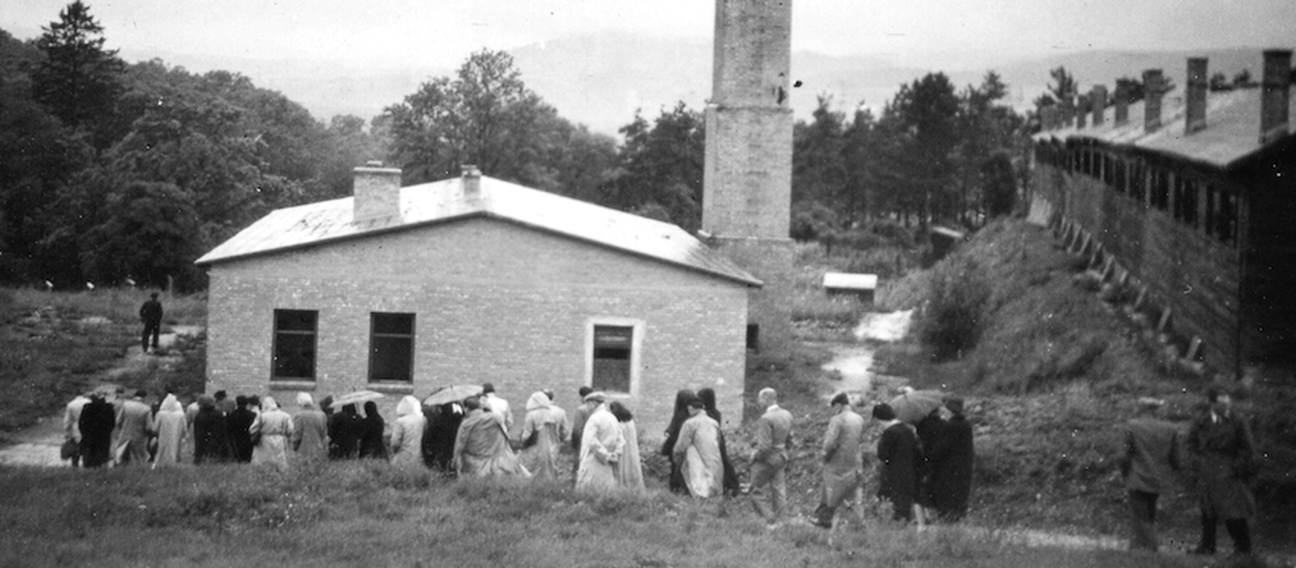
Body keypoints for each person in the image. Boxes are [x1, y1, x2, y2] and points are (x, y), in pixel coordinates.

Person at [1187, 387, 1256, 556]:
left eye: (1228, 402)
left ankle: (1243, 548)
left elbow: (1247, 449)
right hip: (1207, 470)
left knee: (1234, 511)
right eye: (1221, 403)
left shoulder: (1237, 421)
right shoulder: (1201, 421)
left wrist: (1235, 468)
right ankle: (1207, 546)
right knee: (1207, 510)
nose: (1226, 406)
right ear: (1211, 403)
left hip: (1228, 471)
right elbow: (1190, 444)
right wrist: (1197, 463)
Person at [1116, 397, 1182, 551]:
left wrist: (1125, 473)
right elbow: (1176, 460)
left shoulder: (1132, 426)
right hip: (1158, 478)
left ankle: (1148, 548)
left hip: (1137, 476)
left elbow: (1123, 456)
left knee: (1140, 515)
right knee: (1149, 513)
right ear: (1156, 411)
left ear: (1142, 409)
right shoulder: (1170, 428)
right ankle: (1141, 547)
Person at [815, 393, 865, 531]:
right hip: (854, 461)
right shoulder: (859, 419)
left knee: (830, 491)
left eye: (833, 407)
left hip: (837, 462)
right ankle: (857, 522)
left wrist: (824, 456)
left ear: (838, 405)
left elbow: (830, 443)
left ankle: (825, 519)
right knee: (854, 493)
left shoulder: (837, 419)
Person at [875, 403, 925, 526]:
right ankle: (904, 523)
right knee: (904, 501)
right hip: (909, 469)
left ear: (880, 418)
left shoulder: (889, 432)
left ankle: (896, 524)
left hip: (893, 471)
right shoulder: (908, 429)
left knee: (893, 500)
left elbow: (882, 454)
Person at [453, 397, 529, 478]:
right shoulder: (494, 418)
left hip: (474, 464)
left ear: (467, 408)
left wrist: (455, 462)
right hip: (496, 462)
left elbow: (459, 445)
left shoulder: (466, 423)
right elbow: (505, 436)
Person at [749, 388, 793, 526]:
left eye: (760, 398)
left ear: (766, 399)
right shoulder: (787, 414)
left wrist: (755, 457)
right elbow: (790, 439)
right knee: (779, 489)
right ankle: (783, 520)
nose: (758, 401)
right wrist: (786, 452)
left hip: (768, 459)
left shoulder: (766, 418)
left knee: (754, 490)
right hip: (782, 456)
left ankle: (769, 518)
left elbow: (764, 447)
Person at [929, 397, 975, 522]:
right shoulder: (966, 424)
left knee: (947, 502)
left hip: (949, 470)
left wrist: (930, 457)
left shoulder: (950, 426)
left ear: (949, 410)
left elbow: (941, 449)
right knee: (960, 499)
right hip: (964, 468)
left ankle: (948, 522)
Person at [672, 394, 725, 499]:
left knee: (699, 490)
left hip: (697, 462)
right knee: (714, 490)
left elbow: (681, 446)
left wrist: (676, 457)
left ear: (690, 408)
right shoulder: (714, 422)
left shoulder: (690, 423)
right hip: (716, 460)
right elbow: (718, 441)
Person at [697, 388, 741, 497]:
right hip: (718, 439)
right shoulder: (716, 412)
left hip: (711, 441)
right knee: (723, 461)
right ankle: (731, 485)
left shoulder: (707, 414)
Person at [576, 392, 623, 492]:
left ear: (593, 404)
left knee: (589, 492)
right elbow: (621, 439)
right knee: (606, 492)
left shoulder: (594, 419)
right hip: (609, 464)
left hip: (593, 461)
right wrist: (615, 454)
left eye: (587, 404)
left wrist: (605, 455)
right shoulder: (612, 418)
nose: (586, 407)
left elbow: (591, 441)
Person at [519, 391, 568, 481]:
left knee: (527, 470)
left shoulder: (531, 415)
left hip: (534, 447)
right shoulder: (551, 414)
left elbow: (527, 433)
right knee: (547, 471)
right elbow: (560, 432)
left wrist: (522, 441)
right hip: (549, 447)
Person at [660, 389, 696, 495]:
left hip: (678, 446)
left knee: (676, 470)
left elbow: (673, 430)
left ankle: (676, 489)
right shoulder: (692, 415)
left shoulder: (680, 415)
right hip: (691, 447)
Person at [250, 396, 294, 470]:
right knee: (280, 458)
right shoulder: (285, 415)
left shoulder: (262, 416)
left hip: (264, 439)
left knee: (264, 459)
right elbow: (290, 429)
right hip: (280, 438)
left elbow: (252, 429)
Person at [609, 401, 645, 491]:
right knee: (631, 465)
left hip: (622, 447)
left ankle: (622, 486)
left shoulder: (618, 423)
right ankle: (633, 486)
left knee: (621, 467)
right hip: (631, 447)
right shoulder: (630, 420)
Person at [78, 392, 116, 468]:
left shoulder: (87, 408)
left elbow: (81, 423)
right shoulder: (109, 408)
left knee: (89, 457)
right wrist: (107, 432)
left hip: (89, 436)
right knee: (101, 457)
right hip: (103, 436)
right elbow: (112, 423)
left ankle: (88, 469)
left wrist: (84, 434)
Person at [424, 402, 465, 472]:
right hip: (454, 447)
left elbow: (429, 437)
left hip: (441, 449)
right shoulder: (459, 419)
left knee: (442, 469)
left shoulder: (437, 421)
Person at [116, 389, 153, 467]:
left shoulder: (126, 405)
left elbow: (118, 421)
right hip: (139, 436)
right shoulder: (147, 409)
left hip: (125, 434)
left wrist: (122, 429)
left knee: (121, 455)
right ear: (144, 398)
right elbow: (149, 427)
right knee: (139, 458)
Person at [193, 395, 233, 464]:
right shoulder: (219, 414)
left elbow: (199, 435)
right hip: (220, 447)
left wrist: (197, 454)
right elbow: (224, 431)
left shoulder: (199, 416)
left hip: (205, 448)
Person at [151, 394, 187, 468]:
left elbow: (155, 428)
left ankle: (160, 464)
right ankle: (173, 465)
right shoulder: (181, 415)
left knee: (162, 450)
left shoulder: (161, 414)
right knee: (174, 449)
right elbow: (185, 428)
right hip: (176, 435)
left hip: (163, 435)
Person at [389, 395, 426, 467]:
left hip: (402, 458)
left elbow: (395, 442)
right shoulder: (423, 420)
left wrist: (394, 451)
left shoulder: (400, 421)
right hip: (419, 457)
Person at [291, 393, 329, 462]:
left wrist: (293, 448)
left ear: (300, 404)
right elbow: (324, 434)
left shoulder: (299, 416)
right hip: (319, 451)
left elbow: (297, 435)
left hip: (304, 452)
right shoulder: (322, 415)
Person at [569, 386, 595, 481]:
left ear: (582, 397)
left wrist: (574, 443)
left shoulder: (581, 410)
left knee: (578, 463)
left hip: (582, 440)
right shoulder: (596, 409)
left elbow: (577, 428)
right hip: (594, 440)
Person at [63, 393, 91, 467]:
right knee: (86, 450)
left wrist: (66, 431)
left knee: (75, 450)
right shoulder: (89, 402)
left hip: (76, 429)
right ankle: (86, 466)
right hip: (88, 428)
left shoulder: (71, 404)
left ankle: (75, 466)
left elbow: (67, 420)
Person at [227, 395, 257, 463]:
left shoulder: (232, 415)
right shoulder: (252, 415)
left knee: (237, 458)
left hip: (235, 438)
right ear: (247, 403)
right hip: (248, 438)